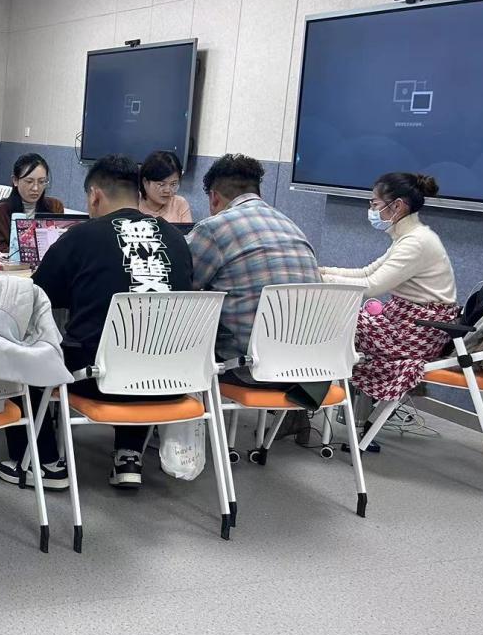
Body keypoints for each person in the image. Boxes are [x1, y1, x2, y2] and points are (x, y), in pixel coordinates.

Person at [0, 155, 193, 490]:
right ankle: (129, 454)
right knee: (141, 339)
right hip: (172, 379)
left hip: (99, 377)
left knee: (24, 354)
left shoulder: (82, 237)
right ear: (138, 194)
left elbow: (38, 297)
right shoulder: (176, 239)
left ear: (94, 196)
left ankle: (42, 463)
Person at [321, 173, 458, 450]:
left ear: (397, 206)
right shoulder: (409, 237)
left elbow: (371, 286)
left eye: (374, 203)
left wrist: (319, 279)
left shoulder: (416, 242)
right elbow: (366, 272)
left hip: (419, 331)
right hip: (408, 323)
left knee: (333, 318)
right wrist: (321, 271)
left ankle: (301, 402)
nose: (371, 209)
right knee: (336, 317)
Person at [187, 154, 320, 373]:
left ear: (214, 197)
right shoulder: (291, 226)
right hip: (307, 368)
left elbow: (180, 285)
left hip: (248, 367)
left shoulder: (213, 228)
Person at [0, 153, 65, 253]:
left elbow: (60, 245)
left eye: (41, 182)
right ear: (15, 180)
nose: (35, 188)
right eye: (29, 181)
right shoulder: (1, 211)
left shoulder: (55, 206)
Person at [138, 150, 192, 224]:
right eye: (161, 184)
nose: (167, 190)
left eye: (173, 184)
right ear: (145, 182)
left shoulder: (180, 204)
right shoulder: (133, 203)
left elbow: (187, 231)